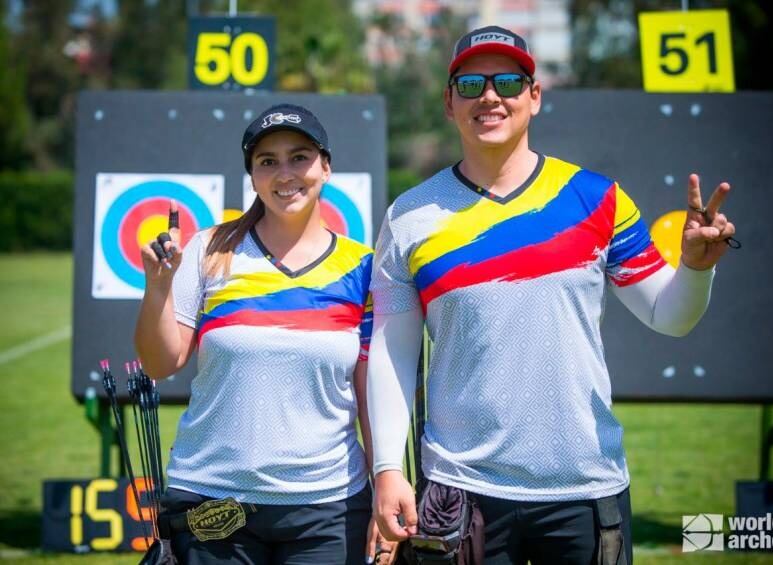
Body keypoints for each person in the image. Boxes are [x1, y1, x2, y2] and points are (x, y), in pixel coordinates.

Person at [367, 26, 736, 564]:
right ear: (449, 103)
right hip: (459, 490)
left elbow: (669, 316)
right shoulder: (409, 216)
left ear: (534, 97)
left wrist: (697, 271)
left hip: (584, 488)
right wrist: (387, 469)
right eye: (470, 84)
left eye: (509, 82)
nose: (489, 96)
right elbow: (392, 352)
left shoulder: (598, 199)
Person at [135, 103, 396, 564]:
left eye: (300, 157)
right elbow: (161, 363)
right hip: (213, 496)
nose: (285, 173)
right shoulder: (211, 250)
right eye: (267, 161)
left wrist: (385, 483)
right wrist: (158, 290)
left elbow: (369, 389)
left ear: (326, 167)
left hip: (328, 504)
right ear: (252, 177)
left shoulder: (361, 268)